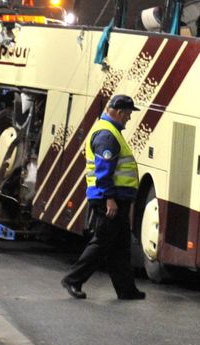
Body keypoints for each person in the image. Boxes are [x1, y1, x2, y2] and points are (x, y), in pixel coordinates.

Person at [62, 94, 146, 301]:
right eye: (127, 114)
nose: (128, 118)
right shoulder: (107, 135)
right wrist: (109, 199)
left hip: (117, 198)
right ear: (118, 112)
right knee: (102, 243)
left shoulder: (111, 132)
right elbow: (103, 172)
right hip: (109, 199)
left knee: (120, 246)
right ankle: (73, 279)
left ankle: (126, 290)